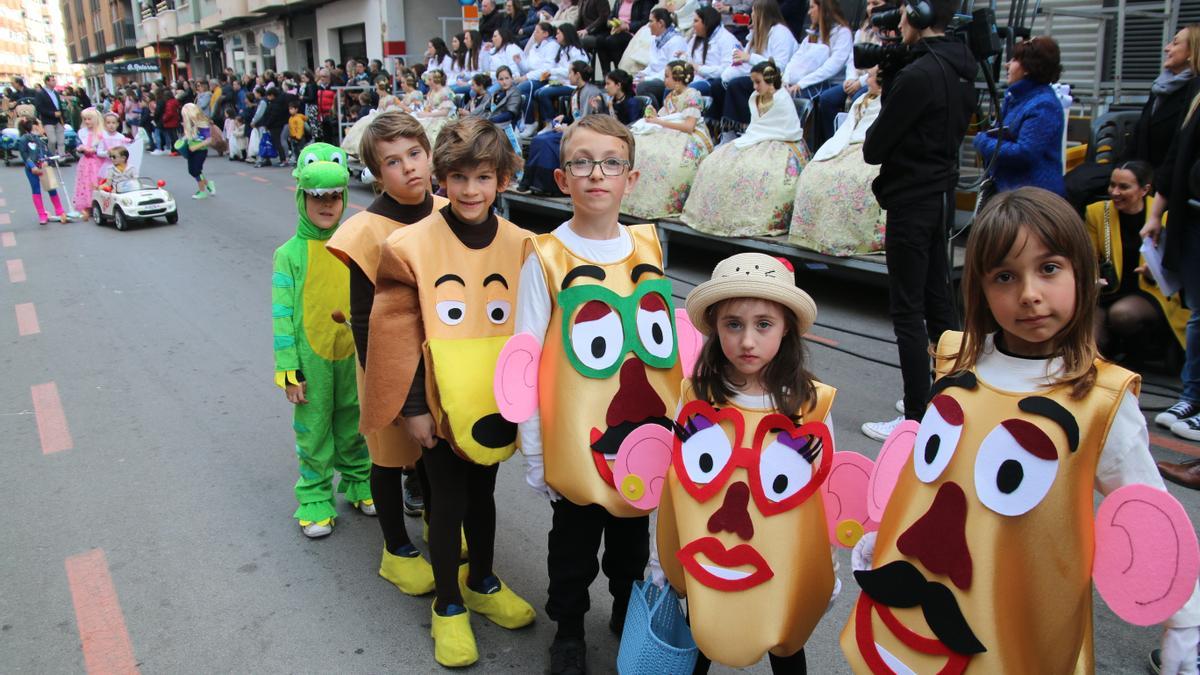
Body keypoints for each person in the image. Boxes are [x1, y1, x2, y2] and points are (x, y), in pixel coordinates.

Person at [839, 187, 1200, 675]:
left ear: (1081, 272)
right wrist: (887, 537)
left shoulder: (1100, 400)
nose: (1029, 293)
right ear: (982, 290)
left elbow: (1146, 508)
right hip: (923, 588)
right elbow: (927, 478)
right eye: (1005, 276)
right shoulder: (956, 360)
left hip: (1022, 607)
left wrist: (1185, 621)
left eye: (1048, 268)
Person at [503, 113, 681, 675]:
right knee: (573, 548)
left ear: (630, 178)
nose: (596, 174)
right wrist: (535, 451)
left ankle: (629, 613)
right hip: (578, 442)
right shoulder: (546, 256)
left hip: (645, 433)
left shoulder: (650, 243)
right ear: (562, 179)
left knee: (631, 538)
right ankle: (571, 628)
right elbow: (526, 357)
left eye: (610, 163)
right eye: (582, 162)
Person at [360, 117, 534, 668]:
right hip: (436, 404)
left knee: (483, 496)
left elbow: (533, 330)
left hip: (492, 403)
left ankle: (481, 579)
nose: (469, 190)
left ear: (502, 179)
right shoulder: (408, 243)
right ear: (441, 178)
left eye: (482, 177)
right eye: (456, 177)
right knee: (448, 500)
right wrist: (413, 409)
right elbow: (396, 334)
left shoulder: (524, 245)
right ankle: (449, 605)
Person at [656, 252, 834, 673]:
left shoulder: (811, 405)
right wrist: (660, 553)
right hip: (708, 544)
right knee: (702, 626)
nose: (747, 341)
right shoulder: (696, 396)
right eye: (733, 324)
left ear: (786, 326)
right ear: (715, 328)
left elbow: (821, 495)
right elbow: (678, 481)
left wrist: (826, 566)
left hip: (778, 552)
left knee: (784, 640)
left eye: (763, 324)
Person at [327, 111, 449, 595]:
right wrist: (385, 382)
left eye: (416, 154)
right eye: (394, 162)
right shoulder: (366, 230)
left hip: (441, 357)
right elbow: (363, 320)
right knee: (389, 453)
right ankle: (395, 548)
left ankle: (439, 524)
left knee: (437, 449)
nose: (410, 168)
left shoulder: (447, 209)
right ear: (377, 174)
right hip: (385, 362)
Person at [859, 0, 976, 441]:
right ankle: (949, 398)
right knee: (938, 301)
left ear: (921, 17)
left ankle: (914, 417)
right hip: (940, 196)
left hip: (912, 199)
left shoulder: (918, 76)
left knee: (908, 309)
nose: (899, 23)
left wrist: (890, 90)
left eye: (904, 14)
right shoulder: (962, 68)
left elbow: (874, 148)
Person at [272, 143, 375, 539]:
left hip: (350, 352)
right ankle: (315, 496)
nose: (327, 204)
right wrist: (288, 370)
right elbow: (281, 316)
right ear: (302, 197)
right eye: (318, 197)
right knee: (314, 429)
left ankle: (359, 480)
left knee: (354, 423)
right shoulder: (289, 254)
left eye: (334, 196)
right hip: (310, 358)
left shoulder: (353, 244)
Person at [1065, 24, 1200, 212]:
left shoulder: (1193, 95)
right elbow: (1138, 139)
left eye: (1175, 43)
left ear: (1192, 52)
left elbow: (1178, 154)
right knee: (1076, 180)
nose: (1166, 48)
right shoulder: (1161, 88)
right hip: (1134, 167)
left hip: (1159, 180)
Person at [682, 59, 806, 236]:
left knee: (758, 172)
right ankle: (720, 217)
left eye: (758, 82)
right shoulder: (755, 98)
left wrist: (760, 137)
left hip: (781, 141)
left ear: (770, 80)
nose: (755, 87)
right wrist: (755, 137)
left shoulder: (782, 99)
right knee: (716, 161)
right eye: (753, 82)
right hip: (755, 138)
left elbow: (785, 127)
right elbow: (757, 124)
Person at [1084, 161, 1189, 362]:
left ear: (1144, 190)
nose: (1114, 192)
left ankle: (1142, 353)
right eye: (1112, 185)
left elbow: (1179, 263)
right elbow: (1087, 257)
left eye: (1123, 187)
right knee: (1091, 342)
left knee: (1123, 314)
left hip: (1150, 290)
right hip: (1108, 291)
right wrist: (1094, 276)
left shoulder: (1162, 217)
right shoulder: (1097, 213)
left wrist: (1156, 271)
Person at [789, 66, 885, 255]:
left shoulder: (888, 101)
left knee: (854, 178)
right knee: (816, 171)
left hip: (869, 146)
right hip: (850, 142)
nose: (867, 80)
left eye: (871, 77)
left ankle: (854, 237)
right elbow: (849, 126)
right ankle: (816, 232)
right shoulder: (863, 99)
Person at [973, 36, 1067, 198]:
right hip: (1010, 192)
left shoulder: (1044, 105)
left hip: (1033, 201)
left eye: (1015, 59)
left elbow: (1025, 152)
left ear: (1029, 67)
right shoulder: (1016, 98)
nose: (1007, 64)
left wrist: (982, 142)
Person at [623, 60, 713, 218]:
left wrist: (659, 121)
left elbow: (689, 126)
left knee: (670, 159)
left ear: (677, 78)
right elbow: (665, 116)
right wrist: (653, 115)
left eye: (667, 76)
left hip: (688, 135)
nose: (664, 80)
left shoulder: (692, 95)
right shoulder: (670, 96)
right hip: (669, 129)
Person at [514, 60, 603, 195]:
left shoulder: (591, 92)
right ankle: (529, 181)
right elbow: (576, 116)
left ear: (577, 75)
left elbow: (588, 120)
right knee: (539, 139)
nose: (568, 76)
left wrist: (567, 129)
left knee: (547, 142)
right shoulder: (576, 92)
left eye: (570, 73)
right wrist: (564, 118)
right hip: (575, 129)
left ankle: (546, 185)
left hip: (586, 132)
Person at [717, 0, 798, 135]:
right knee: (717, 86)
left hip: (776, 80)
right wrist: (725, 76)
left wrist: (749, 58)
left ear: (763, 14)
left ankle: (744, 129)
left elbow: (778, 66)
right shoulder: (756, 33)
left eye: (754, 11)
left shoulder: (781, 32)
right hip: (758, 77)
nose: (751, 15)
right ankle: (723, 130)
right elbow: (744, 63)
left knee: (737, 85)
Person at [814, 0, 885, 151]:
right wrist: (850, 79)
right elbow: (852, 59)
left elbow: (881, 66)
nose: (870, 8)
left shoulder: (886, 31)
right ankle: (832, 141)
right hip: (856, 78)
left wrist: (859, 82)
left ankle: (853, 145)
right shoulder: (862, 30)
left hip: (872, 81)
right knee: (827, 99)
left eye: (876, 3)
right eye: (869, 3)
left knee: (857, 98)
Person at [783, 0, 851, 143]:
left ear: (823, 9)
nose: (809, 12)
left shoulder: (842, 33)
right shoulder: (812, 35)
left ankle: (806, 143)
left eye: (812, 7)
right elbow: (795, 58)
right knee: (780, 92)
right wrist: (786, 79)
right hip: (805, 82)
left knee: (795, 94)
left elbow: (832, 67)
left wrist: (802, 83)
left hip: (830, 83)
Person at [524, 24, 589, 137]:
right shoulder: (563, 50)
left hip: (572, 85)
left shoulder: (576, 51)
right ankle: (548, 122)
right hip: (562, 82)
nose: (556, 36)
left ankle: (552, 122)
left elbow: (572, 71)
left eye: (559, 33)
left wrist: (553, 72)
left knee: (544, 93)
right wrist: (551, 76)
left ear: (566, 34)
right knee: (537, 92)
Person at [630, 9, 689, 107]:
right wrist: (642, 74)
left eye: (651, 21)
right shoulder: (655, 39)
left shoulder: (676, 41)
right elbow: (653, 65)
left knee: (642, 87)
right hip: (654, 77)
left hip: (668, 79)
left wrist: (647, 79)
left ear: (660, 23)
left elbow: (672, 71)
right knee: (630, 83)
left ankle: (656, 115)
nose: (648, 25)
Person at [17, 117, 67, 225]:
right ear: (34, 126)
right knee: (36, 190)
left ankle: (60, 210)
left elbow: (47, 153)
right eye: (40, 125)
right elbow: (25, 155)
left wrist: (48, 162)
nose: (42, 128)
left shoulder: (41, 140)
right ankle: (41, 214)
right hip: (32, 170)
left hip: (44, 167)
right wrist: (32, 167)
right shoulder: (23, 140)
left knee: (51, 188)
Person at [687, 6, 740, 96]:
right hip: (694, 78)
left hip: (713, 81)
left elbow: (727, 69)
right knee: (670, 90)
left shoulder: (726, 39)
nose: (693, 25)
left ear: (706, 22)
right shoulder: (696, 38)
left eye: (696, 21)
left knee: (689, 92)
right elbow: (689, 60)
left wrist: (700, 69)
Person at [595, 0, 654, 76]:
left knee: (612, 41)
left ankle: (620, 74)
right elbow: (610, 17)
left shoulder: (643, 2)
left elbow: (645, 22)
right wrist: (612, 23)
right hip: (616, 30)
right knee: (600, 40)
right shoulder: (619, 2)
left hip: (633, 33)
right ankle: (606, 75)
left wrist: (627, 26)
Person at [73, 107, 107, 221]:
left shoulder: (101, 133)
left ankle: (100, 204)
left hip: (98, 161)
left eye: (89, 119)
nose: (87, 122)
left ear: (96, 119)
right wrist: (81, 148)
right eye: (85, 119)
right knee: (86, 183)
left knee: (98, 181)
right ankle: (88, 204)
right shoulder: (82, 132)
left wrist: (95, 150)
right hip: (86, 163)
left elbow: (104, 147)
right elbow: (77, 145)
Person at [176, 103, 215, 199]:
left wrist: (196, 146)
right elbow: (190, 135)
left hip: (200, 151)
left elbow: (209, 140)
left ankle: (202, 191)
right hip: (191, 149)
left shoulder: (203, 124)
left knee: (196, 170)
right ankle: (208, 184)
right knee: (192, 171)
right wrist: (183, 141)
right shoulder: (190, 123)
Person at [415, 70, 457, 147]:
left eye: (430, 80)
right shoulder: (432, 91)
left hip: (444, 118)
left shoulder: (445, 92)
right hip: (433, 115)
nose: (428, 82)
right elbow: (430, 105)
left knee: (434, 129)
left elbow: (445, 112)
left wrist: (428, 114)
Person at [34, 74, 66, 157]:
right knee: (52, 140)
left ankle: (61, 158)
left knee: (61, 140)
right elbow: (39, 107)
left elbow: (59, 105)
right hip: (48, 120)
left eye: (54, 80)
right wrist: (52, 113)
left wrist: (63, 118)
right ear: (47, 82)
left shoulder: (55, 92)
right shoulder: (41, 93)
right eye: (52, 80)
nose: (55, 82)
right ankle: (51, 156)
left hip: (59, 120)